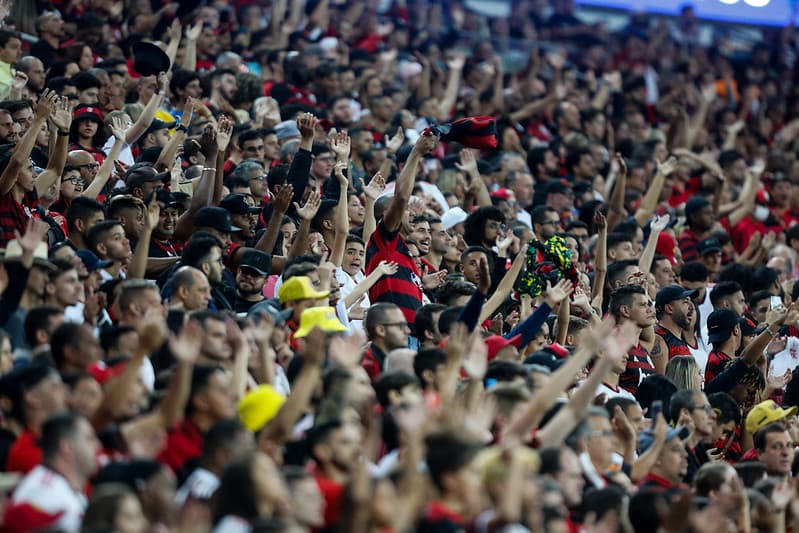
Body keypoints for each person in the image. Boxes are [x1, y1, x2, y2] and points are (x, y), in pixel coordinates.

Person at [5, 413, 100, 531]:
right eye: (89, 438)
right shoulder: (45, 494)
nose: (98, 446)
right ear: (67, 448)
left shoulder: (62, 488)